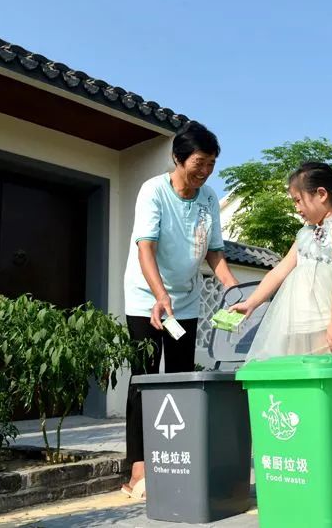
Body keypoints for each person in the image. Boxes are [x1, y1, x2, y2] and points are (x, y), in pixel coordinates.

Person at [121, 121, 238, 498]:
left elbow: (215, 253)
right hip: (147, 299)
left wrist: (234, 289)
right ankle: (138, 467)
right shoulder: (153, 191)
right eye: (199, 163)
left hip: (184, 302)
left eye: (211, 164)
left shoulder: (208, 199)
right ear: (178, 158)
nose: (205, 172)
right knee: (143, 377)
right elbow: (145, 249)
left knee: (180, 379)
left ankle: (176, 457)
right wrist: (160, 296)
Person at [229, 161, 332, 359]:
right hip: (300, 319)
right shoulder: (305, 233)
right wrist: (251, 303)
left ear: (321, 194)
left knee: (327, 364)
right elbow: (279, 272)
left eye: (298, 200)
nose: (296, 208)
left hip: (328, 317)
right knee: (296, 365)